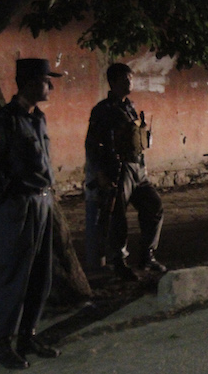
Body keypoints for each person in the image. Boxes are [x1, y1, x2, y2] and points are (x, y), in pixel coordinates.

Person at [0, 58, 63, 369]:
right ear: (30, 83)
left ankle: (28, 336)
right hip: (19, 205)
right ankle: (2, 344)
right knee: (16, 275)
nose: (51, 86)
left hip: (42, 202)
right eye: (46, 80)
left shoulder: (36, 119)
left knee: (41, 275)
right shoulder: (7, 120)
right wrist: (6, 202)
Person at [85, 63, 166, 281]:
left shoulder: (130, 107)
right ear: (113, 82)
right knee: (117, 217)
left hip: (137, 168)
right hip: (117, 168)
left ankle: (147, 255)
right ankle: (118, 261)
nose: (129, 83)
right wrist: (100, 173)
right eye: (125, 79)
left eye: (130, 79)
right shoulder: (103, 110)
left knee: (154, 206)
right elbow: (92, 144)